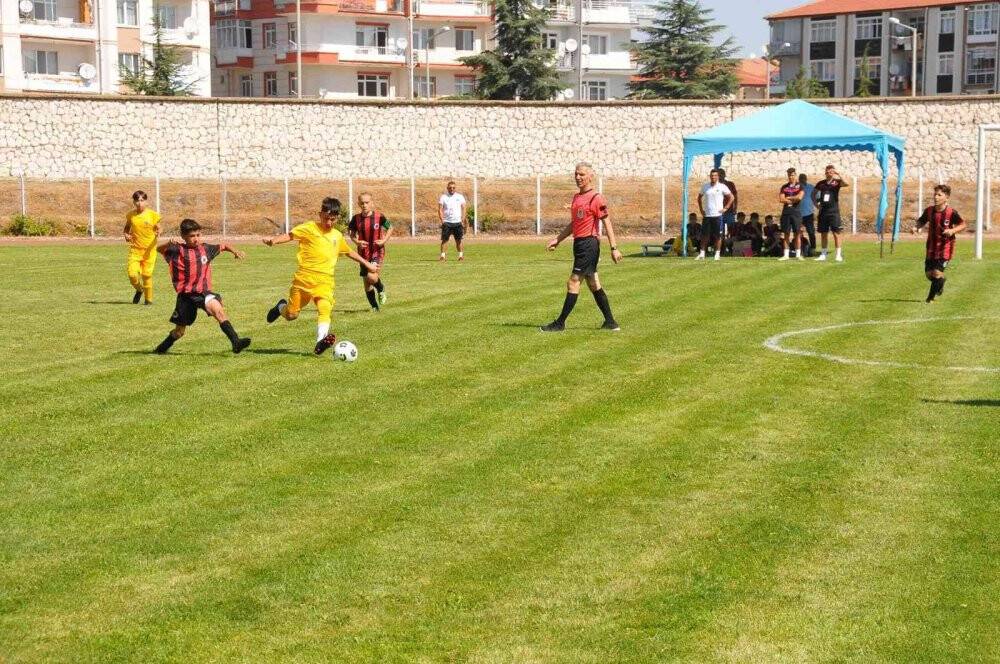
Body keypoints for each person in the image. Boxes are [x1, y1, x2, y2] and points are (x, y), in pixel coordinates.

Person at [263, 197, 380, 355]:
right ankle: (280, 307)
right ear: (320, 214)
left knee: (325, 308)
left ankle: (320, 342)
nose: (329, 223)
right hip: (303, 280)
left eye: (333, 219)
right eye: (326, 218)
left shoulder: (337, 236)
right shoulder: (309, 228)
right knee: (291, 315)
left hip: (325, 282)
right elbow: (290, 235)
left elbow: (349, 252)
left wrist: (367, 264)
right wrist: (274, 241)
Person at [541, 162, 622, 332]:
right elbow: (574, 224)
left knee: (573, 282)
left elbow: (607, 222)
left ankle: (560, 323)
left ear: (591, 177)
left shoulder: (596, 198)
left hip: (589, 245)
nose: (578, 177)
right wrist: (558, 239)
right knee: (593, 284)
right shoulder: (576, 198)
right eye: (576, 174)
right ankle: (610, 322)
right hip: (579, 244)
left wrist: (614, 248)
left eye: (582, 174)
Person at [153, 219, 250, 355]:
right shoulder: (176, 250)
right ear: (183, 236)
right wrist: (168, 243)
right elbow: (158, 249)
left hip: (203, 293)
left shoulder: (206, 249)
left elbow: (223, 246)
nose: (196, 239)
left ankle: (236, 342)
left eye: (198, 235)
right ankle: (160, 349)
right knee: (179, 332)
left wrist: (235, 251)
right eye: (192, 236)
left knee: (219, 311)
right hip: (186, 297)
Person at [913, 184, 966, 303]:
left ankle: (929, 299)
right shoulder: (929, 211)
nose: (935, 197)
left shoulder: (951, 212)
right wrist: (916, 227)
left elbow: (963, 224)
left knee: (936, 273)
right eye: (935, 194)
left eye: (939, 195)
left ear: (946, 197)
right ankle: (941, 281)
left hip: (945, 248)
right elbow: (921, 221)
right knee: (929, 275)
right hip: (931, 247)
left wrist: (952, 230)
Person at [348, 192, 393, 312]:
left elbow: (390, 227)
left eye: (367, 202)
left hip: (376, 251)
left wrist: (384, 240)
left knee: (371, 276)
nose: (364, 205)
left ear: (371, 203)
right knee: (367, 283)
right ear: (359, 204)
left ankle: (381, 288)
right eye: (362, 203)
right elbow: (351, 234)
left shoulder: (379, 216)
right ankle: (374, 308)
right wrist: (357, 242)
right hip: (362, 253)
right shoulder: (356, 219)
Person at [123, 190, 161, 305]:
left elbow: (159, 227)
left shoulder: (152, 215)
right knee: (132, 275)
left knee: (146, 275)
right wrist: (126, 235)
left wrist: (159, 231)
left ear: (146, 201)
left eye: (142, 200)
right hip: (135, 250)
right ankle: (139, 289)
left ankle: (148, 301)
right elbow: (127, 228)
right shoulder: (131, 215)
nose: (140, 203)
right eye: (137, 201)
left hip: (149, 250)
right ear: (133, 202)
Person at [695, 169, 733, 261]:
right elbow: (699, 198)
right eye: (712, 176)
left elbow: (731, 197)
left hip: (717, 215)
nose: (713, 177)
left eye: (715, 176)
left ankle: (717, 254)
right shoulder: (705, 186)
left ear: (718, 177)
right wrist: (701, 209)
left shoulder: (722, 186)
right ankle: (702, 253)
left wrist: (726, 208)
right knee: (705, 235)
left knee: (718, 235)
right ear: (710, 176)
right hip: (707, 215)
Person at [813, 164, 848, 262]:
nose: (829, 173)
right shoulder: (821, 183)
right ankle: (823, 254)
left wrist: (839, 174)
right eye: (827, 172)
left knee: (836, 233)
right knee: (823, 233)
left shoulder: (836, 182)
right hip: (823, 212)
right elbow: (813, 194)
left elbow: (846, 183)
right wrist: (816, 205)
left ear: (833, 172)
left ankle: (838, 255)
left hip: (834, 212)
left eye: (831, 172)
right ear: (825, 173)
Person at [778, 167, 805, 261]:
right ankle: (786, 255)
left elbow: (799, 197)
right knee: (786, 234)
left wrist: (789, 198)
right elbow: (781, 199)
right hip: (786, 213)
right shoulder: (784, 187)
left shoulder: (800, 186)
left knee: (797, 234)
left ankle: (798, 255)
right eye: (789, 175)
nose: (791, 177)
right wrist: (793, 198)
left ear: (795, 175)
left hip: (796, 213)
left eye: (792, 175)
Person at [438, 180, 467, 261]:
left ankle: (460, 256)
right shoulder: (443, 197)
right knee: (445, 240)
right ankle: (442, 256)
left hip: (457, 222)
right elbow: (440, 209)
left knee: (458, 240)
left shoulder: (460, 197)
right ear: (447, 188)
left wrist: (463, 219)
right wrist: (442, 220)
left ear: (455, 188)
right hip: (447, 222)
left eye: (453, 188)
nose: (452, 189)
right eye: (450, 188)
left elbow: (464, 208)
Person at [798, 173, 817, 256]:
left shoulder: (811, 187)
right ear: (799, 179)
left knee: (811, 232)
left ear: (806, 179)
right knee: (798, 232)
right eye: (801, 178)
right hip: (798, 214)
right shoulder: (797, 187)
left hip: (809, 214)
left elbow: (817, 197)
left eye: (803, 178)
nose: (802, 180)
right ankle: (799, 249)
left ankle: (813, 248)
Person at [718, 168, 739, 239]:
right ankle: (722, 244)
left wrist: (735, 207)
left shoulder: (730, 184)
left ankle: (731, 244)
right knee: (720, 231)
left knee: (732, 230)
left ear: (724, 175)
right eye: (719, 174)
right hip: (719, 212)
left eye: (722, 174)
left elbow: (735, 197)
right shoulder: (715, 185)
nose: (720, 176)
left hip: (729, 211)